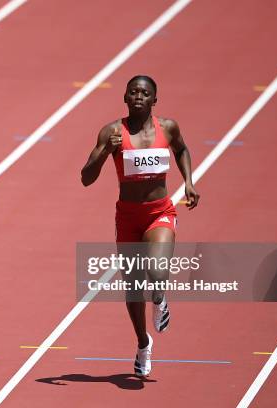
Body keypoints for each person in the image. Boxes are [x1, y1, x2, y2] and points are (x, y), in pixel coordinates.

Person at [81, 75, 199, 376]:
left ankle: (159, 298)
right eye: (133, 92)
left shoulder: (168, 128)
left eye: (144, 93)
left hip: (159, 212)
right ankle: (143, 342)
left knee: (157, 270)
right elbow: (86, 177)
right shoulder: (112, 131)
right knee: (133, 288)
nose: (138, 97)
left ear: (154, 100)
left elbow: (182, 150)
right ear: (125, 98)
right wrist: (105, 150)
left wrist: (188, 181)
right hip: (128, 217)